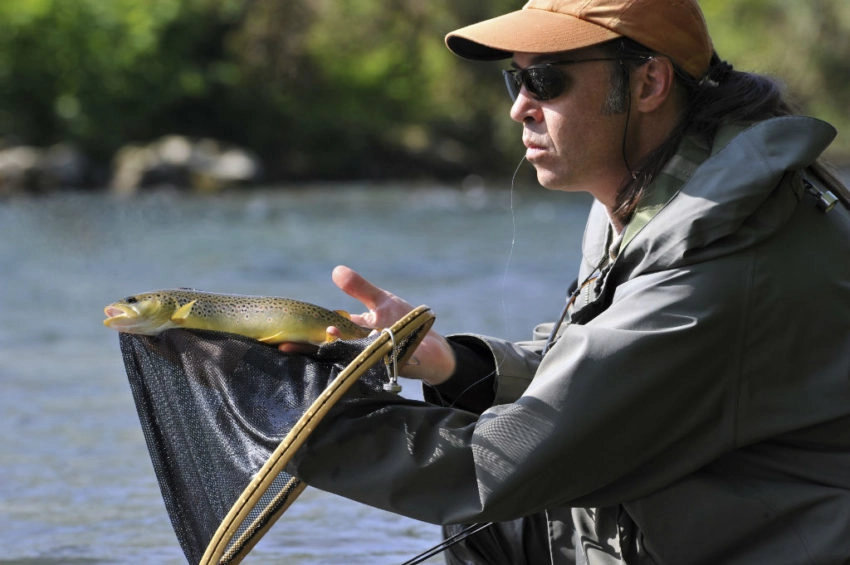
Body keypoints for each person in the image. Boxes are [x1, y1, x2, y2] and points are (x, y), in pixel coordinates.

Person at [284, 0, 850, 563]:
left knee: (497, 506)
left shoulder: (722, 252)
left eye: (545, 80)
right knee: (497, 530)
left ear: (649, 82)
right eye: (516, 81)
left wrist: (285, 418)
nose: (520, 108)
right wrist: (453, 367)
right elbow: (609, 373)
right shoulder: (659, 197)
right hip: (697, 521)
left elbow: (502, 464)